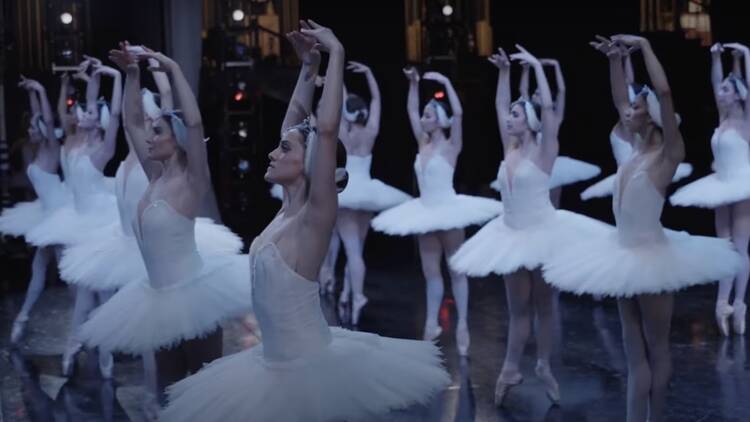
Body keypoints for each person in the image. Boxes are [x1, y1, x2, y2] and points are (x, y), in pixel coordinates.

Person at [161, 21, 449, 422]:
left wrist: (337, 54)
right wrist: (308, 67)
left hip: (306, 372)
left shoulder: (314, 216)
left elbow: (325, 131)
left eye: (284, 149)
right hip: (271, 365)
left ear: (310, 164)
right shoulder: (285, 211)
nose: (272, 154)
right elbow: (295, 121)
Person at [543, 35, 742, 422]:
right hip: (620, 254)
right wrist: (615, 62)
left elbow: (664, 93)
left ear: (648, 116)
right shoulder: (633, 153)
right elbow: (620, 97)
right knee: (633, 355)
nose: (626, 111)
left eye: (635, 107)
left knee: (657, 348)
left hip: (652, 259)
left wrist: (645, 46)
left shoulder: (668, 156)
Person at [75, 43, 252, 405]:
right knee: (168, 394)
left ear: (177, 141)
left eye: (159, 132)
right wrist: (132, 73)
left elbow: (195, 121)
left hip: (194, 296)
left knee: (206, 393)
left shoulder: (192, 181)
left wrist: (171, 65)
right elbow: (131, 122)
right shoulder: (154, 175)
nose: (150, 136)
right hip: (157, 299)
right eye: (152, 131)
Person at [450, 45, 606, 406]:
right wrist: (504, 73)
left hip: (544, 234)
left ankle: (543, 365)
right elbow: (499, 105)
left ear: (530, 122)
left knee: (545, 306)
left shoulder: (544, 149)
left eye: (516, 114)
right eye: (510, 115)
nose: (508, 118)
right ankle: (509, 368)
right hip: (510, 235)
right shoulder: (511, 149)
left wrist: (536, 66)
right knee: (519, 309)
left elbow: (550, 109)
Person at [371, 67, 502, 356]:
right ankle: (432, 324)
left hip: (449, 210)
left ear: (441, 120)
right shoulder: (422, 143)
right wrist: (414, 84)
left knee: (456, 270)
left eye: (429, 115)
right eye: (424, 114)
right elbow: (409, 109)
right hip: (425, 212)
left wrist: (445, 82)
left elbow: (460, 114)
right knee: (430, 272)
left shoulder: (452, 146)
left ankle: (464, 324)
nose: (423, 118)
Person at [669, 42, 750, 336]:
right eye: (722, 90)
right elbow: (715, 81)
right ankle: (721, 304)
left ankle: (739, 304)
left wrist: (745, 55)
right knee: (723, 245)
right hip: (721, 183)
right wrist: (715, 57)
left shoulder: (746, 120)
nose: (721, 93)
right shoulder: (723, 118)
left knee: (740, 246)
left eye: (728, 90)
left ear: (740, 94)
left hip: (743, 184)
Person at [334, 60, 411, 325]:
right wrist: (369, 73)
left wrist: (338, 76)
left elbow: (339, 96)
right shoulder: (370, 130)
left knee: (351, 251)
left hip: (346, 192)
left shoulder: (343, 130)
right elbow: (377, 99)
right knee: (357, 250)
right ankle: (347, 292)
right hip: (366, 193)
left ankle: (357, 296)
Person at [1, 76, 68, 344]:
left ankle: (89, 327)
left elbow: (48, 120)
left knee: (71, 275)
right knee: (39, 268)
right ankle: (23, 318)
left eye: (32, 128)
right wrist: (31, 93)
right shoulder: (35, 148)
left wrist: (41, 89)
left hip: (62, 216)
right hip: (47, 215)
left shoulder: (51, 147)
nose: (29, 130)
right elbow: (40, 117)